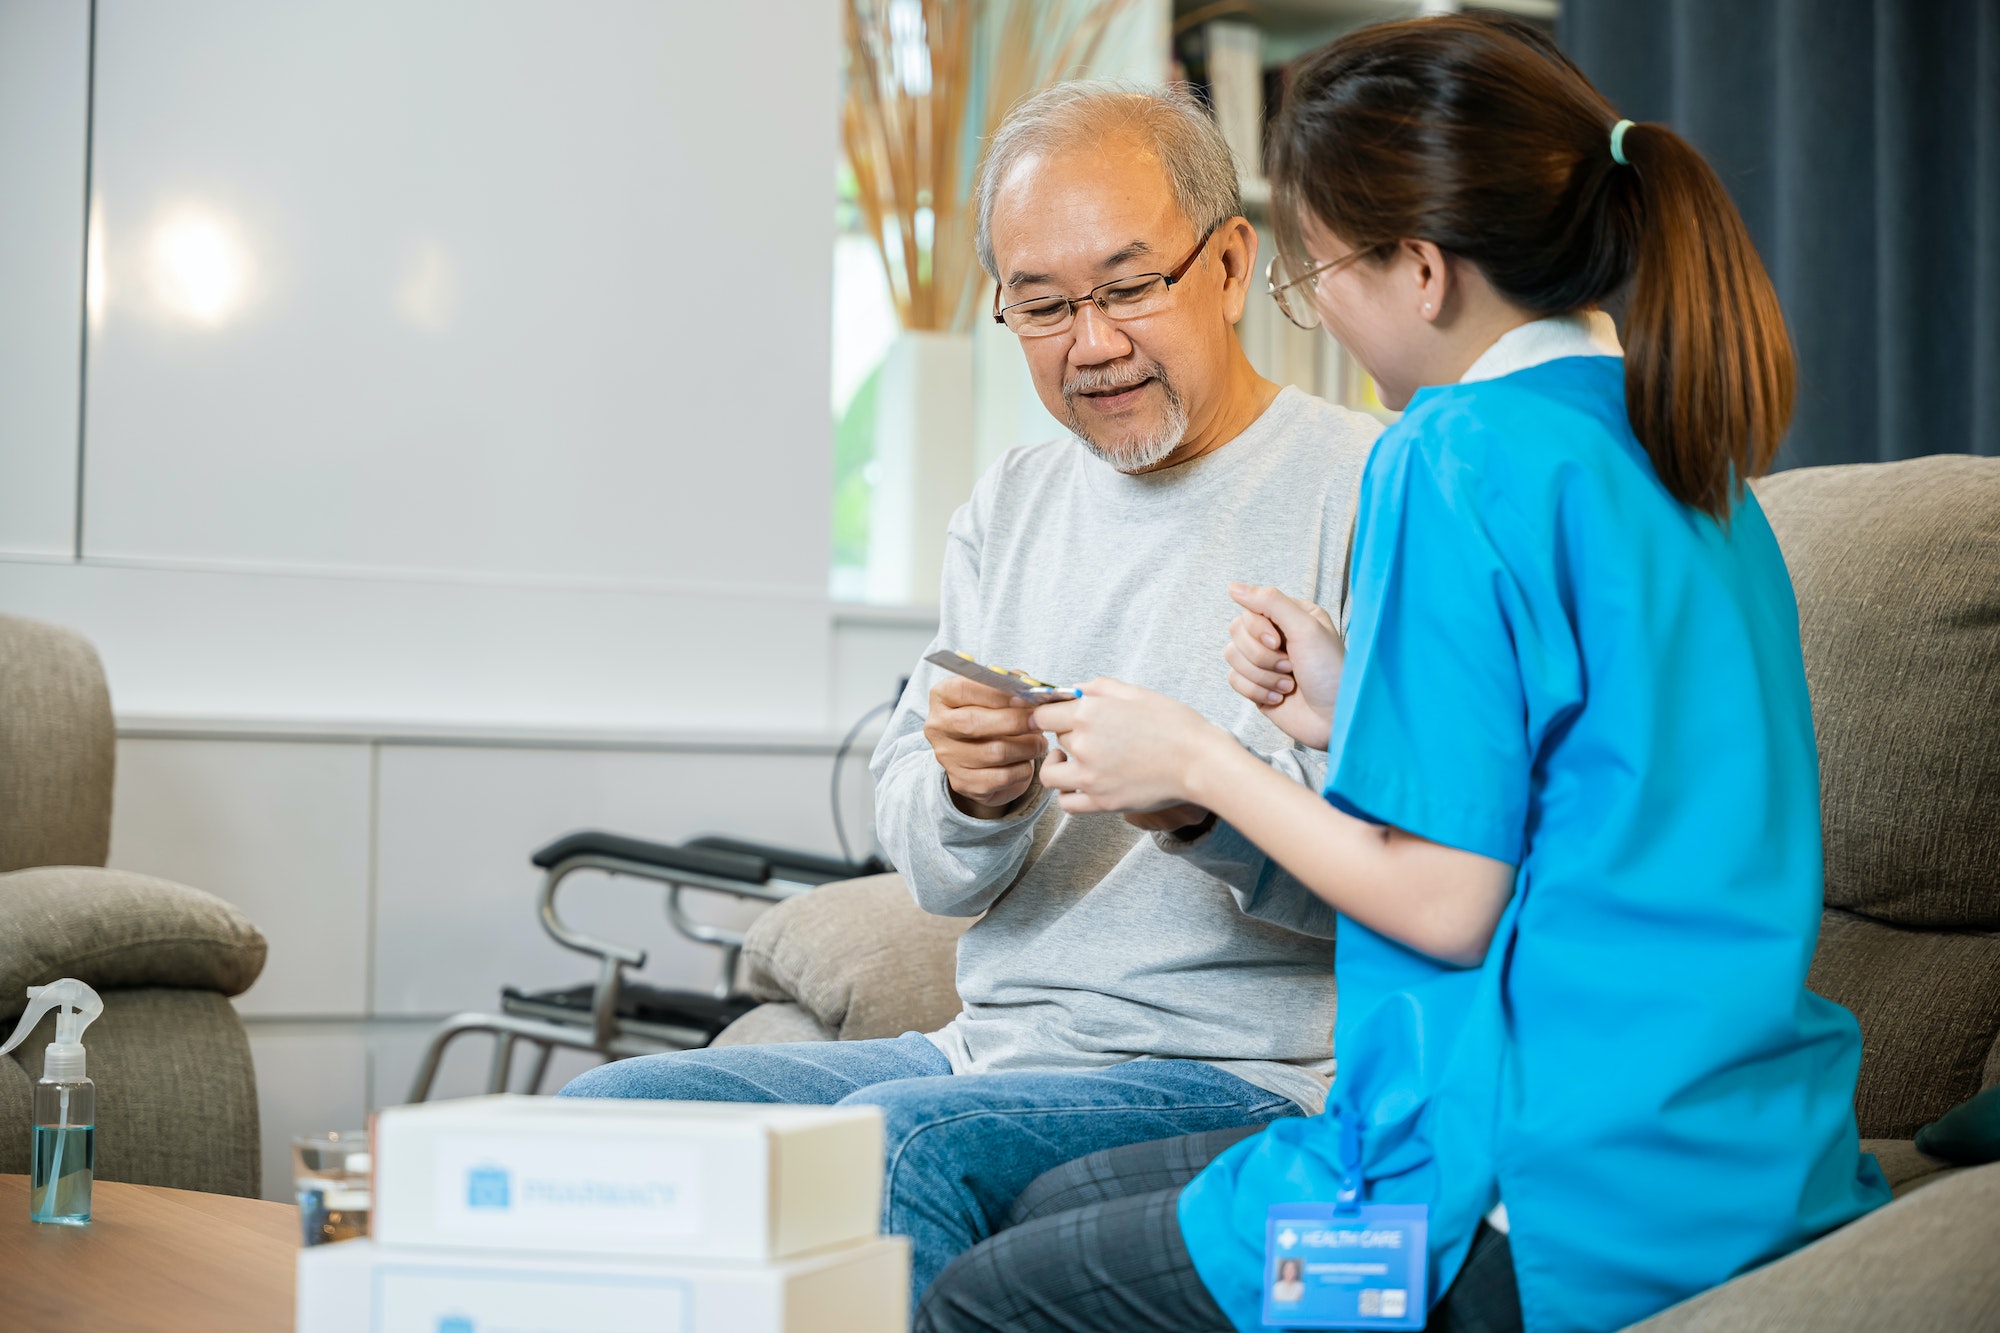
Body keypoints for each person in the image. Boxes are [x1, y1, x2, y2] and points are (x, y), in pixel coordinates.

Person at [915, 15, 1889, 1333]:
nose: (1327, 319)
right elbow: (1588, 785)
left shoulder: (1451, 453)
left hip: (1497, 1212)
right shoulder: (1684, 450)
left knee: (990, 1297)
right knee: (1054, 1211)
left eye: (1318, 278)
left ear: (1420, 270)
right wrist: (1342, 704)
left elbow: (1443, 907)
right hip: (1739, 1167)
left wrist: (1197, 761)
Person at [558, 83, 1381, 1306]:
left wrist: (1202, 803)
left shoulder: (1368, 486)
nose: (1089, 344)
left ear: (1226, 263)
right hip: (987, 1045)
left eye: (1126, 288)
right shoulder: (1009, 503)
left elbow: (1412, 874)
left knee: (903, 1142)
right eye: (1041, 307)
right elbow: (937, 873)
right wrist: (965, 793)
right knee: (607, 1113)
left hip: (1247, 1066)